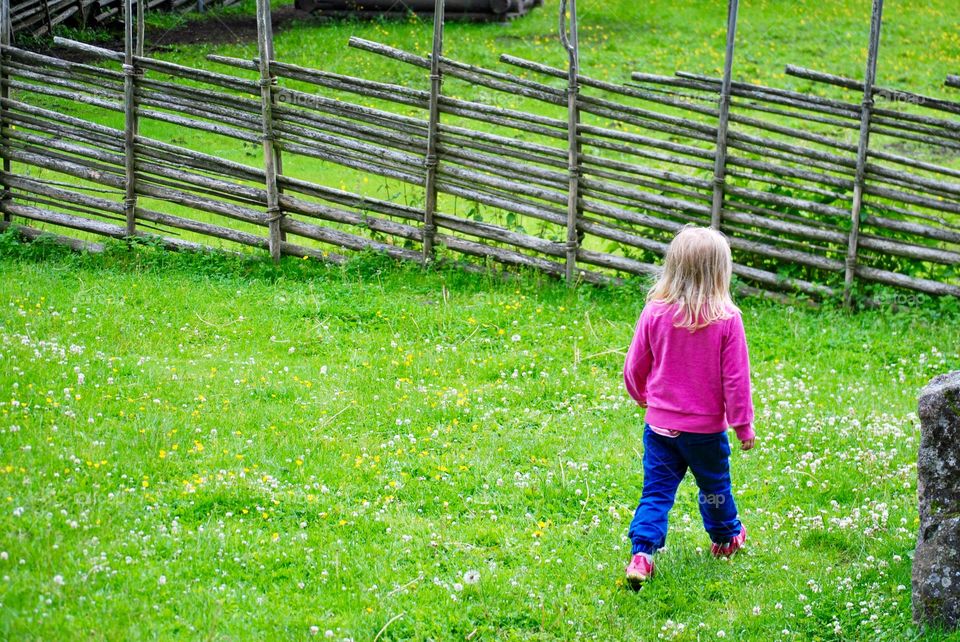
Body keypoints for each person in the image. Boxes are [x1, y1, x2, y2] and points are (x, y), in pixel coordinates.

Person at [622, 226, 755, 590]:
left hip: (660, 430)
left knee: (656, 493)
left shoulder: (655, 312)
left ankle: (642, 554)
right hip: (705, 434)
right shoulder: (727, 320)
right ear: (719, 272)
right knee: (713, 488)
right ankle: (726, 538)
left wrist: (641, 396)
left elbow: (635, 364)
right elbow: (736, 382)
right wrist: (743, 426)